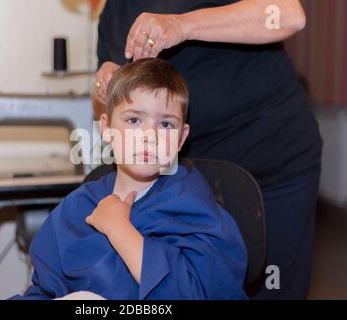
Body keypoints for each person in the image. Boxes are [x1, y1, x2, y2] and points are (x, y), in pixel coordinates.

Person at [93, 0, 322, 300]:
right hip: (189, 182)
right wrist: (107, 77)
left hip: (271, 160)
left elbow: (288, 15)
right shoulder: (114, 14)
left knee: (273, 288)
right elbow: (119, 102)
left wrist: (182, 25)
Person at [14, 58, 248, 300]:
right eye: (134, 120)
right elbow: (44, 290)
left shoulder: (192, 205)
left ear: (181, 138)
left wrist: (119, 228)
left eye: (166, 124)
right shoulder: (78, 206)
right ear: (106, 129)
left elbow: (195, 293)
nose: (149, 136)